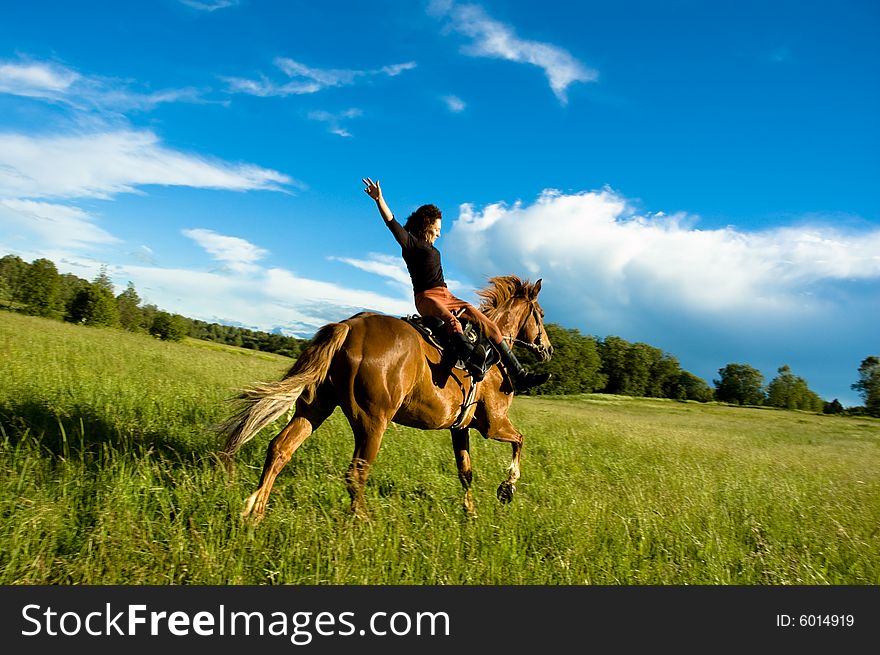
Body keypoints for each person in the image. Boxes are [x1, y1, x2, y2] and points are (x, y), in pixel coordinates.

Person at [362, 177, 549, 391]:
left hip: (447, 295)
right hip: (427, 298)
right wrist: (379, 199)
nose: (440, 232)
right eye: (437, 228)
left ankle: (520, 375)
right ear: (427, 225)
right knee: (453, 323)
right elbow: (391, 223)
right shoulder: (411, 244)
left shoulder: (433, 249)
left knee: (489, 325)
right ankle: (471, 364)